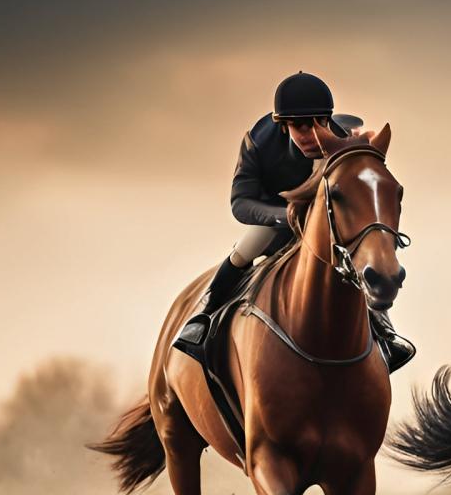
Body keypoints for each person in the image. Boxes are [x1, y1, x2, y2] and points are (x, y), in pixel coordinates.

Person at [173, 71, 414, 370]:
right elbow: (240, 203)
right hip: (276, 220)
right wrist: (285, 215)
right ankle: (204, 320)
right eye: (300, 126)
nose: (311, 133)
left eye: (319, 122)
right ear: (283, 126)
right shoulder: (258, 143)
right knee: (244, 250)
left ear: (328, 120)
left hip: (328, 224)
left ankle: (385, 333)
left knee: (358, 261)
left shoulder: (343, 141)